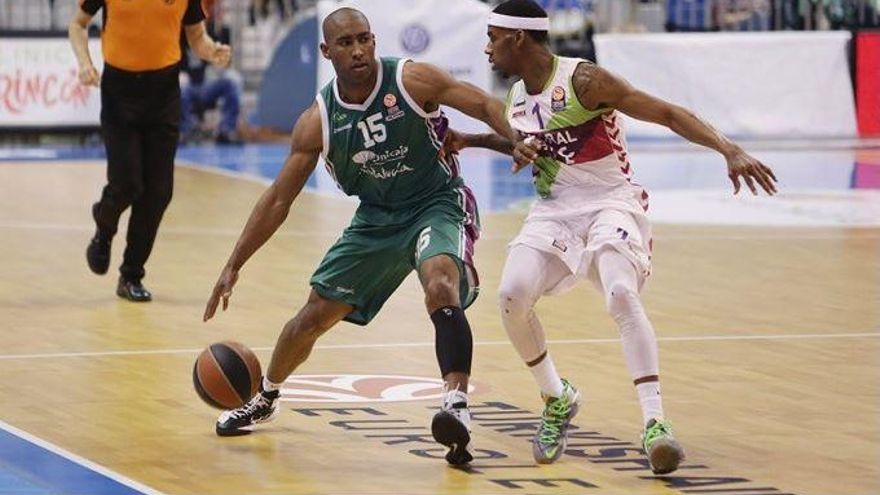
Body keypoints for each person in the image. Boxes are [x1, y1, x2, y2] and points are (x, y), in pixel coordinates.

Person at [449, 0, 777, 474]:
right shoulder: (518, 96)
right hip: (555, 210)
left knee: (620, 292)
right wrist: (473, 139)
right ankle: (557, 397)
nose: (487, 47)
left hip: (610, 201)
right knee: (510, 296)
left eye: (493, 36)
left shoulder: (584, 80)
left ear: (518, 38)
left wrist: (728, 149)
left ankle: (655, 425)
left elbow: (664, 112)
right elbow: (526, 142)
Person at [202, 8, 517, 466]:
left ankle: (456, 405)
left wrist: (519, 138)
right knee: (311, 318)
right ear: (327, 52)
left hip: (436, 200)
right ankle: (266, 396)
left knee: (440, 283)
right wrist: (234, 263)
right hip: (376, 219)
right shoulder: (319, 120)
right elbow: (277, 201)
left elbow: (486, 105)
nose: (358, 51)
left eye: (364, 39)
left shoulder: (412, 80)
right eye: (346, 43)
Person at [69, 0, 231, 302]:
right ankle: (104, 227)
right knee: (127, 183)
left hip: (164, 93)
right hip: (119, 90)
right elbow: (77, 24)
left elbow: (196, 36)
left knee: (158, 191)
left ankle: (131, 275)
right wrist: (85, 63)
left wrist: (212, 51)